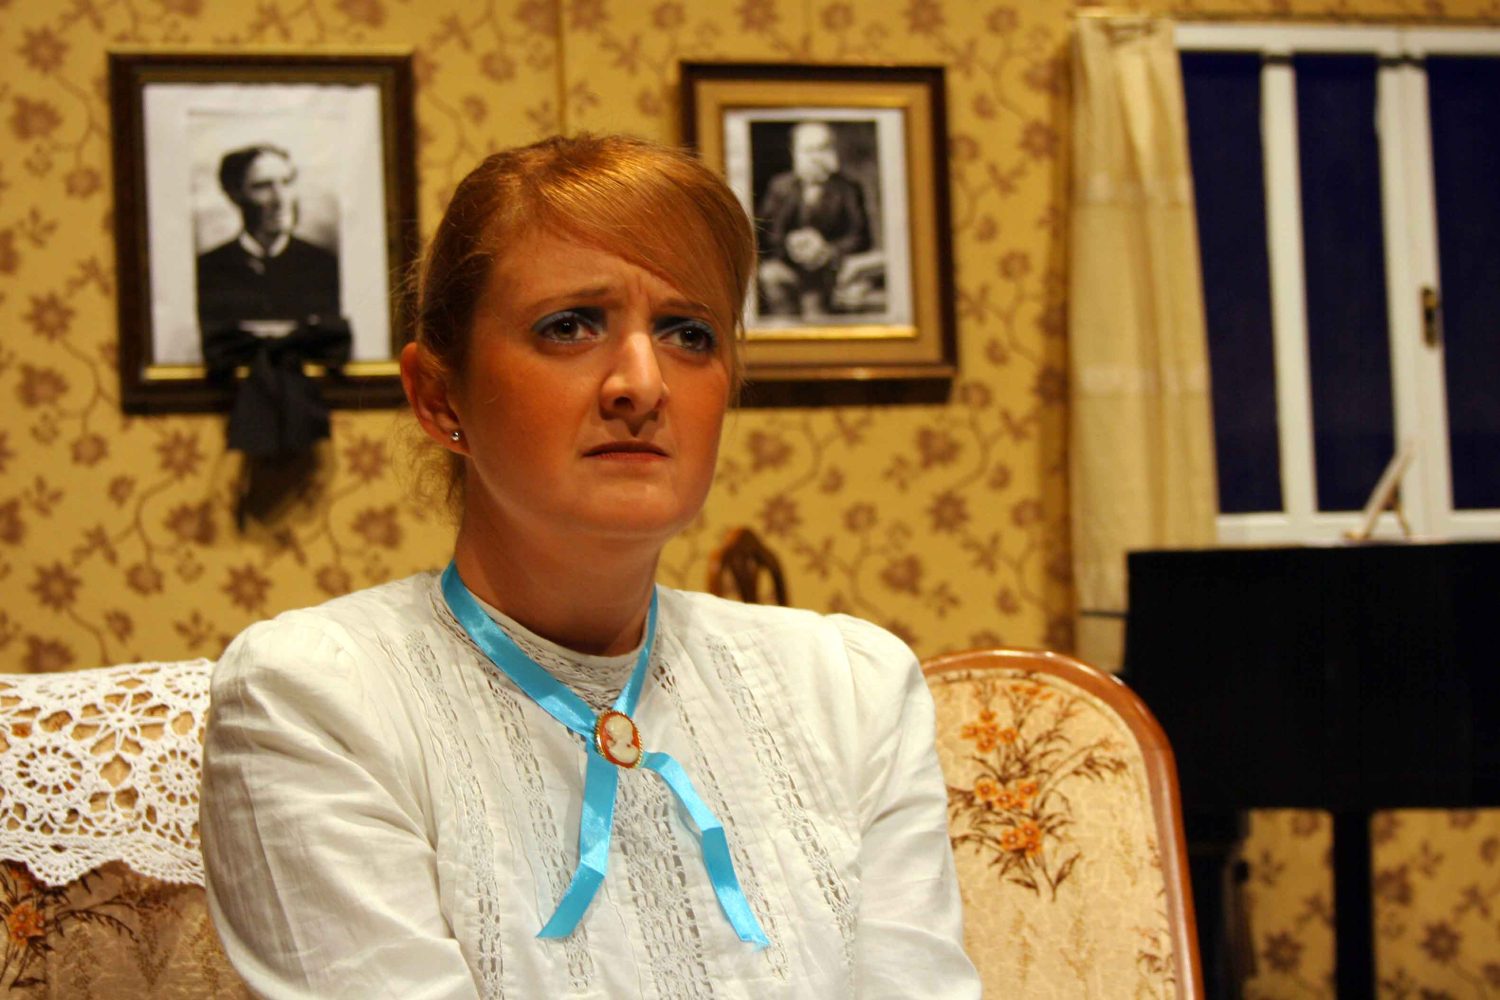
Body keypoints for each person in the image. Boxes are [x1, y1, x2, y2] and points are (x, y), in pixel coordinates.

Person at [200, 134, 980, 999]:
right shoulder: (318, 701)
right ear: (438, 394)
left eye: (690, 333)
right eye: (569, 326)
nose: (642, 383)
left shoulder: (852, 689)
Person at [196, 143, 341, 332]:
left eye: (287, 182)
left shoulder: (325, 267)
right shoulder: (207, 271)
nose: (280, 199)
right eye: (263, 186)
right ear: (234, 195)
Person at [756, 121, 872, 318]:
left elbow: (860, 237)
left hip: (832, 271)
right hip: (787, 267)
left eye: (822, 149)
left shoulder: (848, 189)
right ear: (795, 153)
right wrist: (791, 244)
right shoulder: (780, 187)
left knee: (817, 310)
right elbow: (765, 233)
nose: (815, 158)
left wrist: (827, 250)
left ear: (833, 152)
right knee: (771, 281)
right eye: (808, 151)